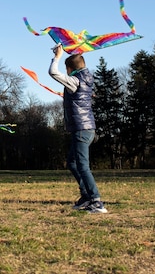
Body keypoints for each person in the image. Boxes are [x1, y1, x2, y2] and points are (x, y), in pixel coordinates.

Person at [49, 45, 108, 214]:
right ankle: (86, 196)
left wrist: (57, 56)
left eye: (67, 69)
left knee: (82, 165)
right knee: (72, 163)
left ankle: (96, 200)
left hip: (81, 129)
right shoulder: (87, 77)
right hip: (86, 128)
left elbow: (53, 72)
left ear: (69, 69)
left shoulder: (75, 80)